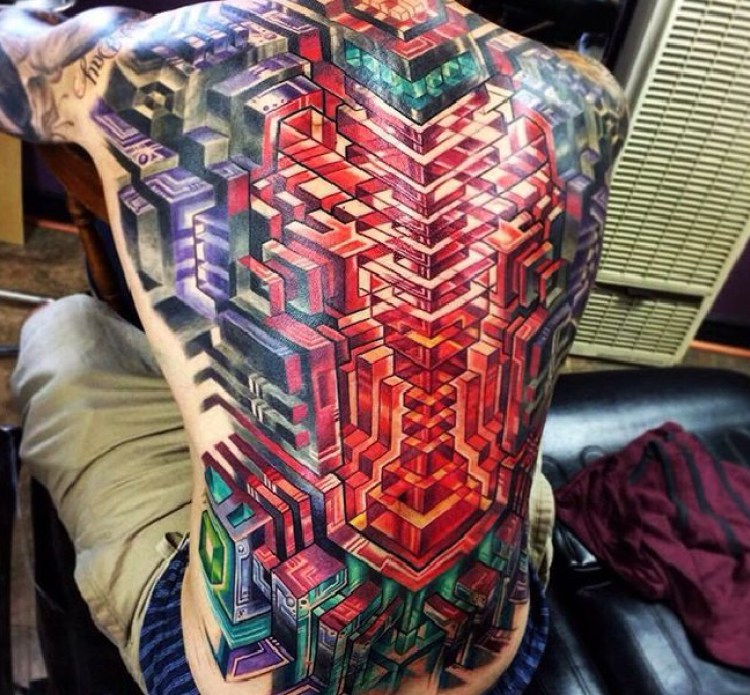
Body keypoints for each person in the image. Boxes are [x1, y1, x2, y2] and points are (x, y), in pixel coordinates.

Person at [3, 2, 628, 693]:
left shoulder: (152, 57)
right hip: (488, 654)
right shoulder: (587, 96)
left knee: (64, 328)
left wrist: (63, 22)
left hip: (251, 671)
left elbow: (11, 58)